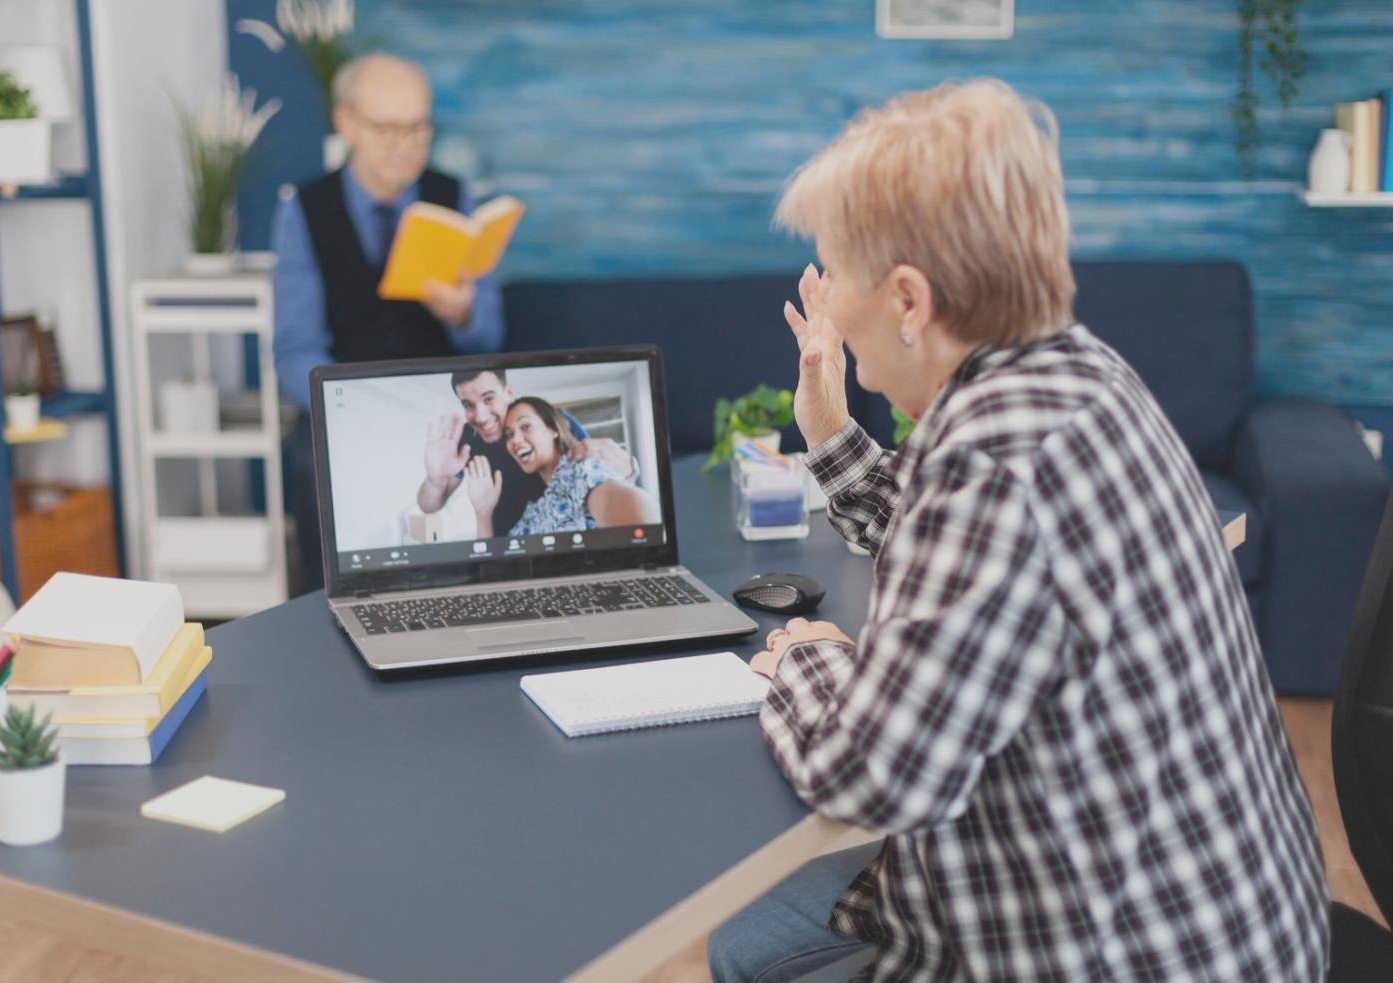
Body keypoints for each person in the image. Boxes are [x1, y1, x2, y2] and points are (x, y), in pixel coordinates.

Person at [708, 79, 1327, 982]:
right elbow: (970, 549)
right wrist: (832, 432)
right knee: (746, 945)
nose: (828, 303)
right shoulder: (1070, 370)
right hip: (1220, 905)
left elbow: (872, 774)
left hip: (1132, 949)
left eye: (835, 271)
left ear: (911, 300)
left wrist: (807, 657)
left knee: (746, 952)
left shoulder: (992, 460)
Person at [272, 53, 505, 591]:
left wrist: (462, 312)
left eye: (419, 127)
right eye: (387, 128)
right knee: (311, 464)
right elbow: (293, 348)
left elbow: (490, 335)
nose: (406, 144)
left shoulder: (452, 197)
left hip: (442, 400)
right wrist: (351, 408)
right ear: (346, 122)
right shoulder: (304, 209)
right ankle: (326, 608)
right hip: (345, 404)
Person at [417, 369, 638, 537]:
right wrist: (435, 480)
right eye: (468, 404)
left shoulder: (551, 420)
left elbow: (602, 475)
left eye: (488, 398)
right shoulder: (465, 439)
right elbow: (429, 506)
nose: (481, 416)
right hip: (508, 544)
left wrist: (629, 469)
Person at [463, 396, 658, 538]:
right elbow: (493, 564)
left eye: (525, 427)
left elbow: (619, 502)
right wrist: (483, 513)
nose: (515, 440)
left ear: (553, 430)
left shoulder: (580, 472)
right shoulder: (534, 511)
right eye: (509, 434)